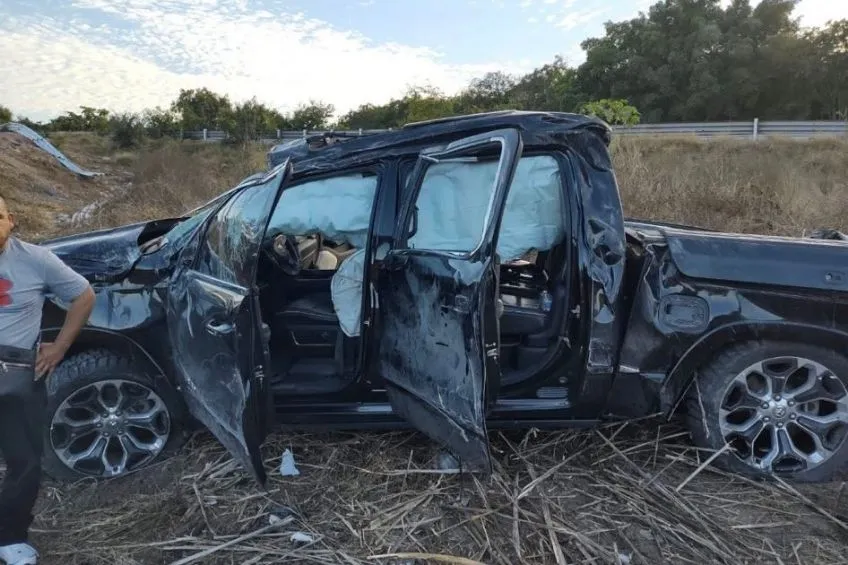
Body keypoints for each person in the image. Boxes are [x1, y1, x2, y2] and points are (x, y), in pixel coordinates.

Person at [0, 194, 94, 565]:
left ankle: (9, 537)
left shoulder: (36, 260)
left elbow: (83, 295)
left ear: (11, 219)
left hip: (18, 378)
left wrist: (60, 348)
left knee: (24, 461)